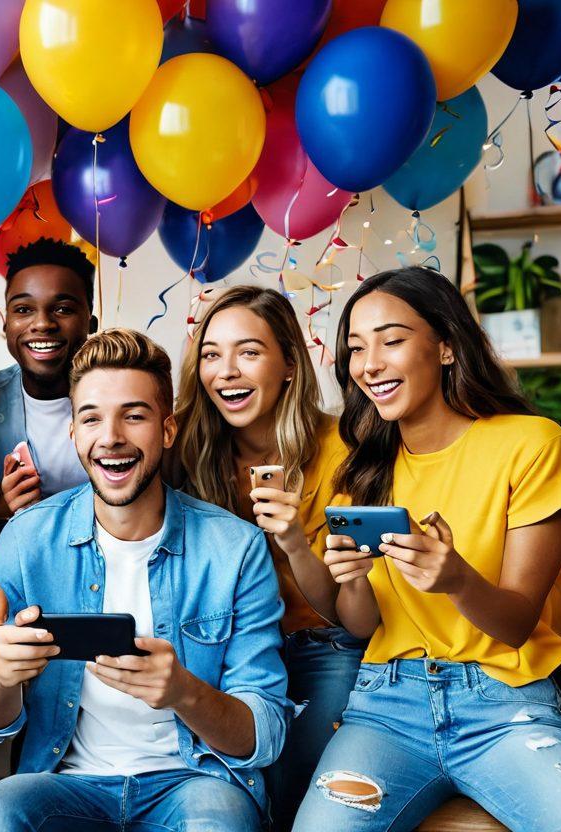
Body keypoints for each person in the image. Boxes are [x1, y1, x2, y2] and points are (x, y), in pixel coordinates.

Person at [0, 329, 289, 832]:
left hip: (194, 783)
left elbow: (263, 735)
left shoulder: (235, 549)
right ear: (73, 432)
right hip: (67, 782)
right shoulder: (27, 539)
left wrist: (183, 691)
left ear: (168, 429)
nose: (111, 437)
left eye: (133, 416)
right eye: (91, 417)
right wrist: (0, 678)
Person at [292, 268, 561, 832]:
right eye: (356, 348)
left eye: (391, 340)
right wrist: (354, 580)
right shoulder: (364, 470)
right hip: (386, 711)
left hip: (504, 707)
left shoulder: (530, 444)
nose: (369, 365)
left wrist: (457, 579)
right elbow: (363, 626)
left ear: (445, 346)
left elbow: (516, 625)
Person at [172, 285, 357, 830]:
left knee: (299, 778)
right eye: (211, 354)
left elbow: (348, 613)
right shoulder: (185, 443)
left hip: (320, 643)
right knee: (232, 778)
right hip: (227, 645)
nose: (226, 371)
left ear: (291, 365)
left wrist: (294, 540)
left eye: (248, 352)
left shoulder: (340, 450)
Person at [0, 238, 96, 527]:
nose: (43, 323)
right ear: (5, 324)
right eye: (23, 310)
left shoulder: (123, 398)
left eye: (63, 309)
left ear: (91, 324)